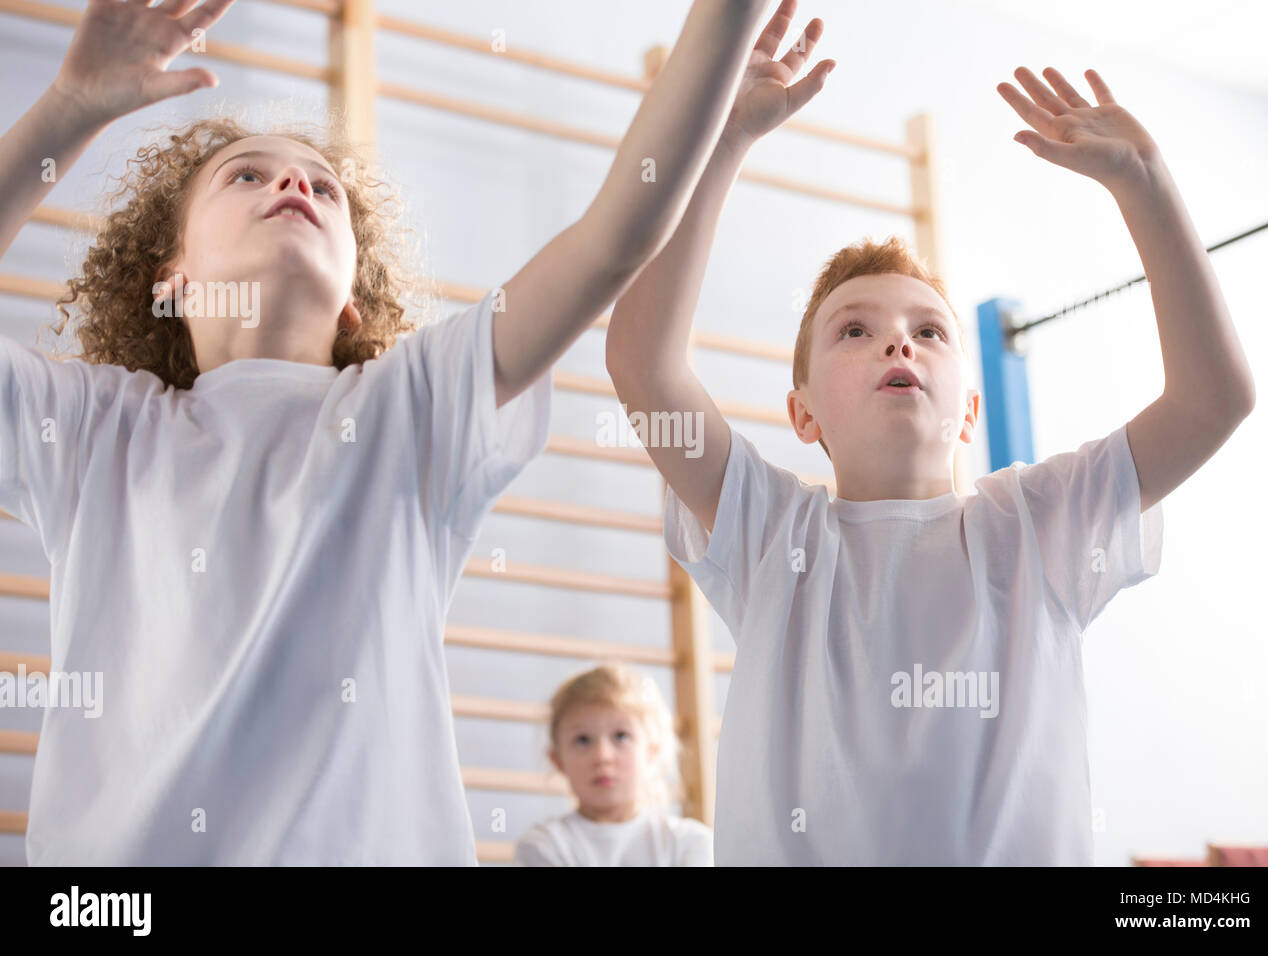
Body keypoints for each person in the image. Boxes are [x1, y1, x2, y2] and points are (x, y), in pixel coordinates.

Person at [0, 0, 773, 864]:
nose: (294, 184)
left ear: (352, 302)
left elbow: (612, 239)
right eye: (244, 176)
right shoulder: (95, 429)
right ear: (173, 278)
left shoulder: (411, 406)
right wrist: (71, 107)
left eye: (324, 188)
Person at [604, 21, 1256, 864]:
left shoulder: (1037, 525)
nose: (898, 345)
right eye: (854, 331)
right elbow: (642, 364)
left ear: (970, 412)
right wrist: (721, 141)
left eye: (928, 332)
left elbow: (1215, 399)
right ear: (804, 416)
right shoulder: (772, 536)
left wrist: (1149, 187)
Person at [514, 664, 712, 866]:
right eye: (582, 740)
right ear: (558, 760)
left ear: (651, 751)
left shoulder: (689, 842)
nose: (602, 756)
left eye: (621, 736)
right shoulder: (544, 844)